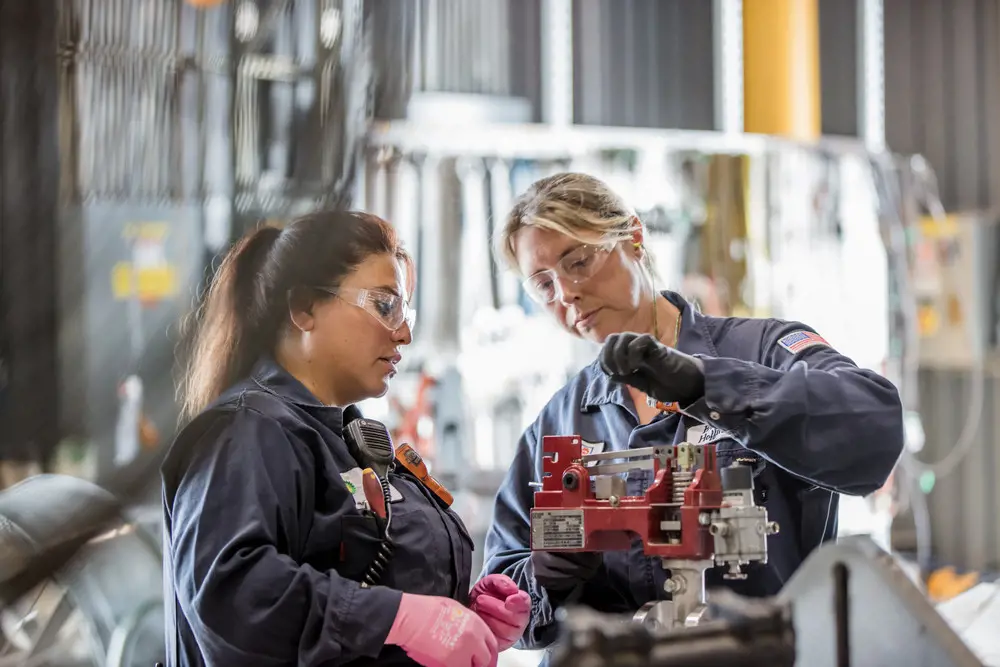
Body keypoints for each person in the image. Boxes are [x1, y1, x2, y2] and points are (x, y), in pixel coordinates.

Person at [480, 173, 905, 653]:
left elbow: (876, 427)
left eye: (577, 261)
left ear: (634, 239)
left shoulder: (762, 349)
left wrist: (708, 385)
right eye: (543, 285)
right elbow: (498, 602)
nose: (566, 295)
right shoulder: (559, 422)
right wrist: (543, 576)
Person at [161, 211, 530, 667]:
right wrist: (401, 618)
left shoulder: (351, 441)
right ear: (303, 309)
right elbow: (231, 594)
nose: (404, 333)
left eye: (404, 311)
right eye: (384, 305)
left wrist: (462, 615)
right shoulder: (247, 432)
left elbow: (358, 580)